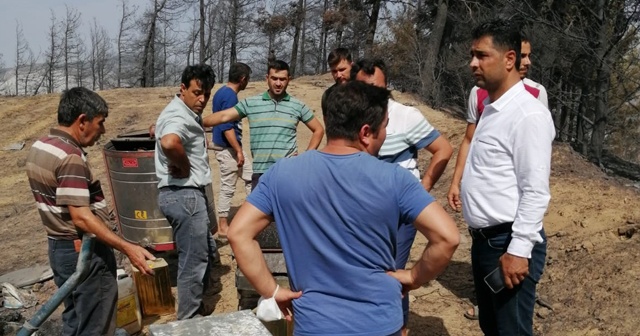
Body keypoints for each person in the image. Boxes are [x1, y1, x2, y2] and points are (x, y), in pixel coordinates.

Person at [227, 81, 460, 336]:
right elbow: (447, 237)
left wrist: (271, 290)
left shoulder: (281, 174)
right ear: (365, 132)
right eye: (384, 128)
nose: (385, 135)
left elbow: (238, 233)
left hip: (314, 325)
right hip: (380, 323)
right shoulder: (395, 179)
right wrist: (414, 277)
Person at [25, 87, 155, 336]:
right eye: (101, 122)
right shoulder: (70, 156)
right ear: (82, 120)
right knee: (97, 324)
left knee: (75, 319)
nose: (103, 131)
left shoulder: (42, 146)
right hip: (83, 253)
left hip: (58, 248)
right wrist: (127, 247)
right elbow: (82, 218)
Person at [448, 32, 550, 321]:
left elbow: (535, 190)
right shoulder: (493, 109)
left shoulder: (527, 115)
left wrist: (518, 250)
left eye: (482, 55)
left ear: (509, 60)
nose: (472, 63)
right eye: (472, 55)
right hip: (486, 241)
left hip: (507, 242)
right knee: (493, 327)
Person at [352, 58, 453, 335]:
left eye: (378, 88)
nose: (373, 95)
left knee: (392, 273)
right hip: (360, 209)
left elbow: (443, 149)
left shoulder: (406, 116)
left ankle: (399, 327)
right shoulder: (349, 118)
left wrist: (422, 188)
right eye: (364, 88)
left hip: (398, 215)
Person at [154, 64, 220, 320]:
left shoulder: (180, 112)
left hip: (184, 196)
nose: (202, 99)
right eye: (197, 92)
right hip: (185, 195)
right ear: (183, 88)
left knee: (203, 253)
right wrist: (184, 164)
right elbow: (170, 142)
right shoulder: (178, 115)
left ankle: (198, 307)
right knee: (193, 263)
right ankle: (189, 321)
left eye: (207, 94)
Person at [203, 60, 324, 188]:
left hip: (288, 173)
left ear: (289, 79)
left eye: (282, 79)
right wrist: (197, 121)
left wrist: (305, 158)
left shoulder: (298, 105)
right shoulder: (251, 103)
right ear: (267, 78)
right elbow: (223, 116)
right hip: (261, 173)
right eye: (274, 78)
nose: (278, 83)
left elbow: (318, 130)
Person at [209, 62, 253, 238]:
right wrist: (239, 150)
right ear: (242, 79)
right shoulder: (230, 96)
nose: (247, 82)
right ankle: (222, 226)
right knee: (229, 185)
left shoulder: (221, 92)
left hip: (227, 147)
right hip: (227, 148)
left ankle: (250, 217)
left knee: (250, 177)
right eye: (247, 79)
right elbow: (227, 127)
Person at [321, 47, 352, 114]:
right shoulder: (328, 96)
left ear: (352, 66)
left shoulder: (365, 91)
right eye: (334, 71)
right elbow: (327, 122)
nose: (338, 75)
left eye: (342, 70)